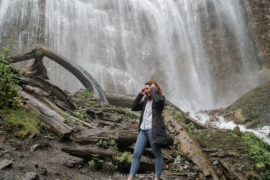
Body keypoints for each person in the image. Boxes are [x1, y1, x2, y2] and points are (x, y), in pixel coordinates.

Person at [128, 80, 167, 180]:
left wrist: (153, 89)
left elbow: (157, 100)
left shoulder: (160, 99)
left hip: (153, 130)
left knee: (157, 154)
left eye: (148, 89)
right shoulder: (145, 101)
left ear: (154, 88)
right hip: (143, 130)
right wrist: (141, 94)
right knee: (136, 154)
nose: (147, 91)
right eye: (145, 89)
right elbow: (133, 107)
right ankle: (130, 177)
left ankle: (157, 178)